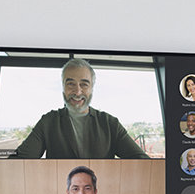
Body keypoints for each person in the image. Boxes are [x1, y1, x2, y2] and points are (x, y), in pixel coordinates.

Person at [13, 58, 147, 159]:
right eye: (70, 84)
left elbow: (142, 161)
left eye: (84, 84)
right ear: (63, 88)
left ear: (92, 89)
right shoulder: (48, 122)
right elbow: (19, 160)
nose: (77, 92)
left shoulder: (110, 123)